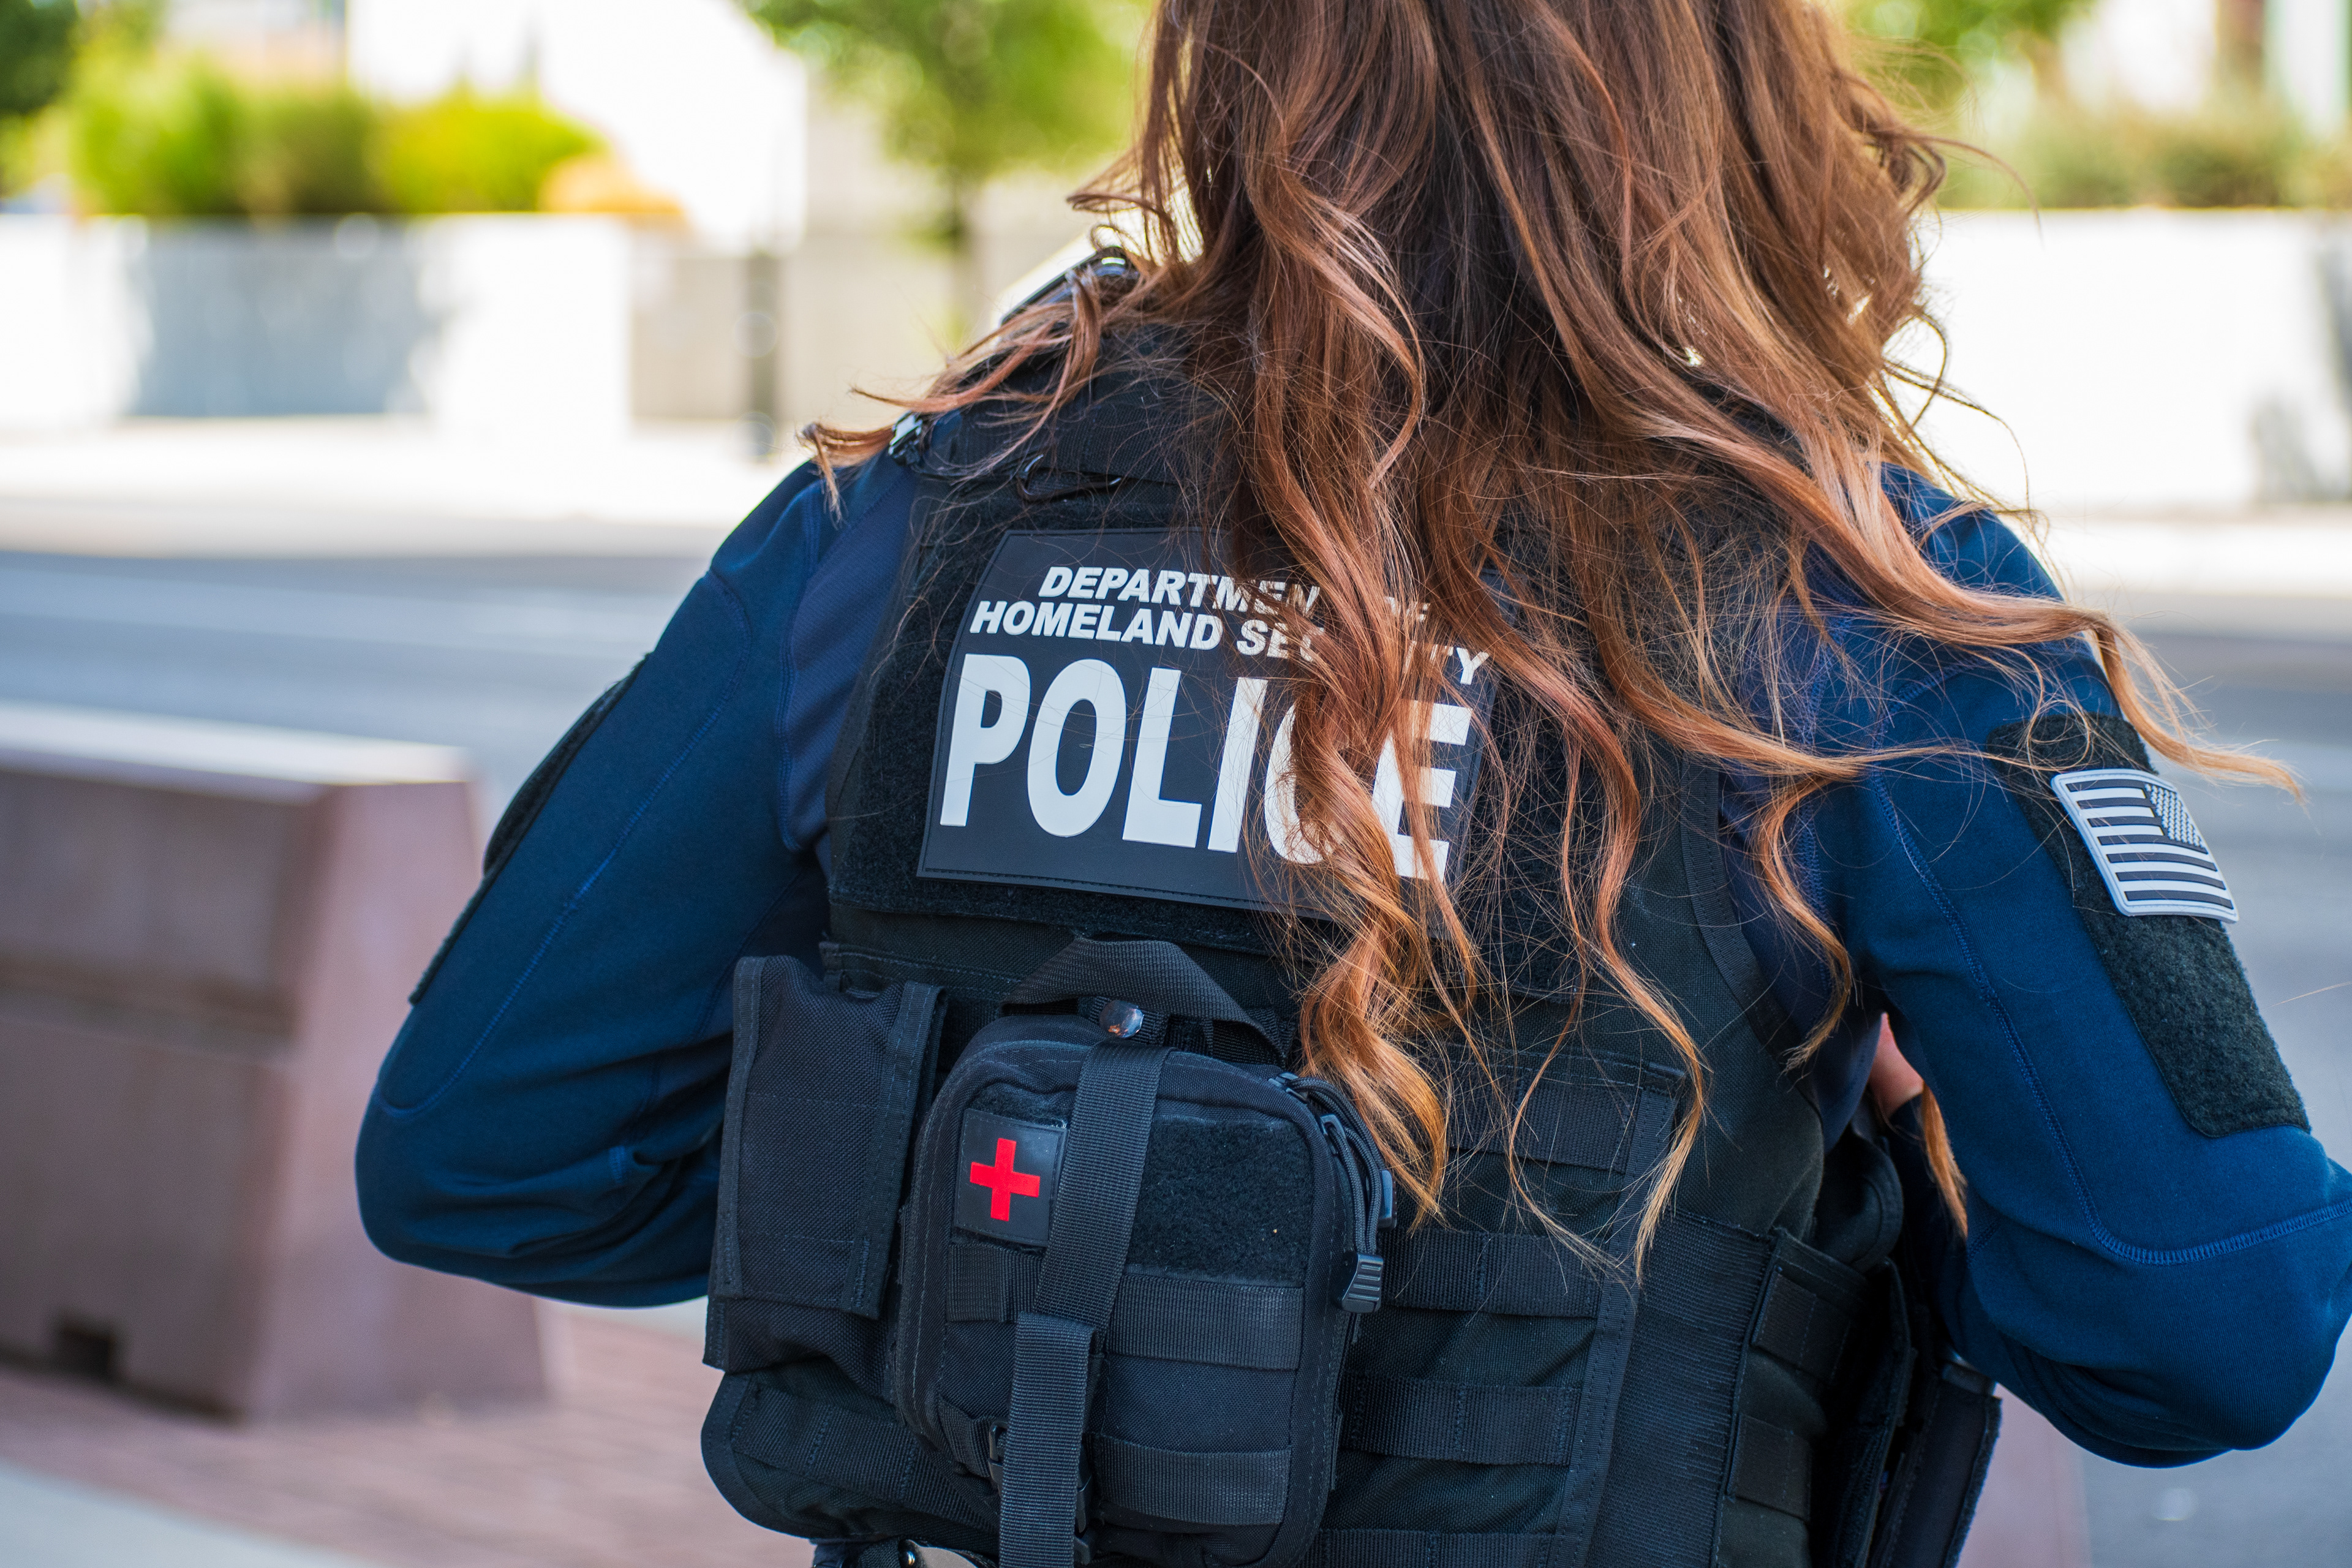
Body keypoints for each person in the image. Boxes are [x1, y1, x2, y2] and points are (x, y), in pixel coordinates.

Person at [356, 0, 2352, 1562]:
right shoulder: (1866, 601)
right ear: (1735, 81)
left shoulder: (910, 516)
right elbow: (2210, 1331)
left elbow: (490, 1150)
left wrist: (986, 1207)